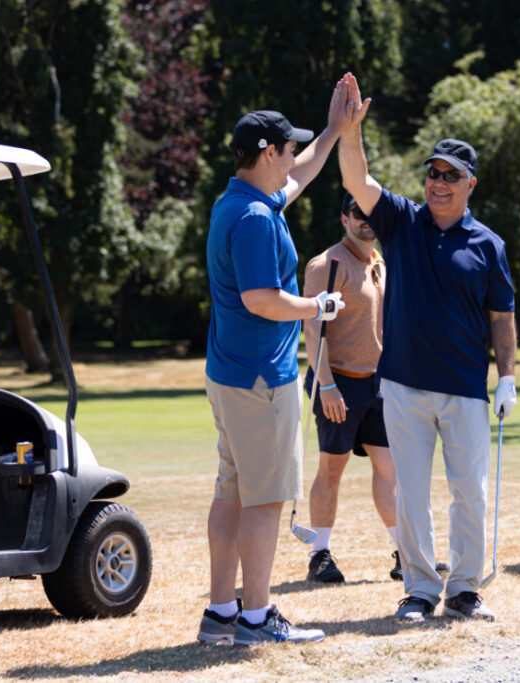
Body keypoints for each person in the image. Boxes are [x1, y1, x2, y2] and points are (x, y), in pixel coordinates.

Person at [337, 74, 518, 623]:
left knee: (471, 493)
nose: (437, 183)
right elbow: (357, 176)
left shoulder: (489, 245)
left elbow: (502, 318)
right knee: (410, 492)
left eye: (450, 176)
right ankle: (418, 589)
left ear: (470, 184)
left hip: (465, 388)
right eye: (432, 173)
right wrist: (349, 131)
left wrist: (506, 376)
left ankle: (464, 589)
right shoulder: (400, 219)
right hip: (403, 384)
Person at [197, 78, 350, 647]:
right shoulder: (258, 219)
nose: (292, 158)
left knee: (232, 492)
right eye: (286, 149)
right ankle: (257, 619)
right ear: (267, 153)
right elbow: (262, 298)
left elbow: (303, 175)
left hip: (230, 373)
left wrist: (335, 130)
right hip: (263, 378)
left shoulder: (239, 201)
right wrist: (320, 304)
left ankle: (220, 612)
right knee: (264, 499)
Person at [302, 193, 451, 585]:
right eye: (357, 213)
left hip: (379, 384)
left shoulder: (381, 263)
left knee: (390, 469)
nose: (366, 219)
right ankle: (320, 555)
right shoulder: (327, 264)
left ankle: (405, 554)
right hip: (337, 381)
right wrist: (327, 386)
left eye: (370, 213)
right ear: (344, 219)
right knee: (332, 469)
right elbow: (313, 329)